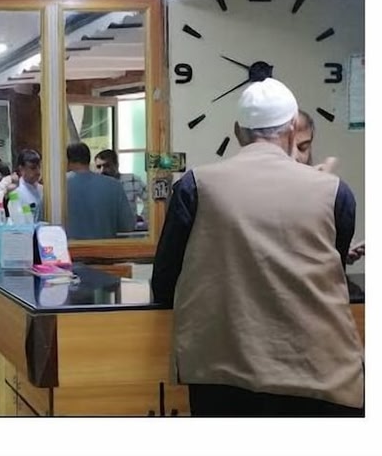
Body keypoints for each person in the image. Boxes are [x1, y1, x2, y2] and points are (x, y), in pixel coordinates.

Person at [151, 78, 363, 416]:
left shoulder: (194, 187)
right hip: (320, 372)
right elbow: (332, 266)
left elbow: (164, 281)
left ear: (238, 131)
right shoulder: (335, 192)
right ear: (293, 128)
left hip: (222, 375)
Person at [293, 110, 363, 264]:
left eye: (303, 147)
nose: (296, 156)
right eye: (287, 149)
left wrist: (339, 250)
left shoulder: (331, 191)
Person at [65, 142, 136, 239]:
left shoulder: (58, 188)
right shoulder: (114, 186)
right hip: (105, 246)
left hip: (69, 247)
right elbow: (127, 226)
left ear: (67, 160)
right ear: (89, 160)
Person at [94, 149, 147, 227]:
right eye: (99, 167)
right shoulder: (93, 187)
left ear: (116, 165)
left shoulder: (132, 180)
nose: (102, 170)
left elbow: (150, 200)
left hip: (129, 230)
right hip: (103, 230)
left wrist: (142, 218)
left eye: (107, 166)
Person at [0, 149, 43, 222]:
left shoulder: (42, 190)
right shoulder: (15, 193)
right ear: (21, 169)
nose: (38, 172)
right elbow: (18, 219)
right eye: (33, 168)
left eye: (39, 167)